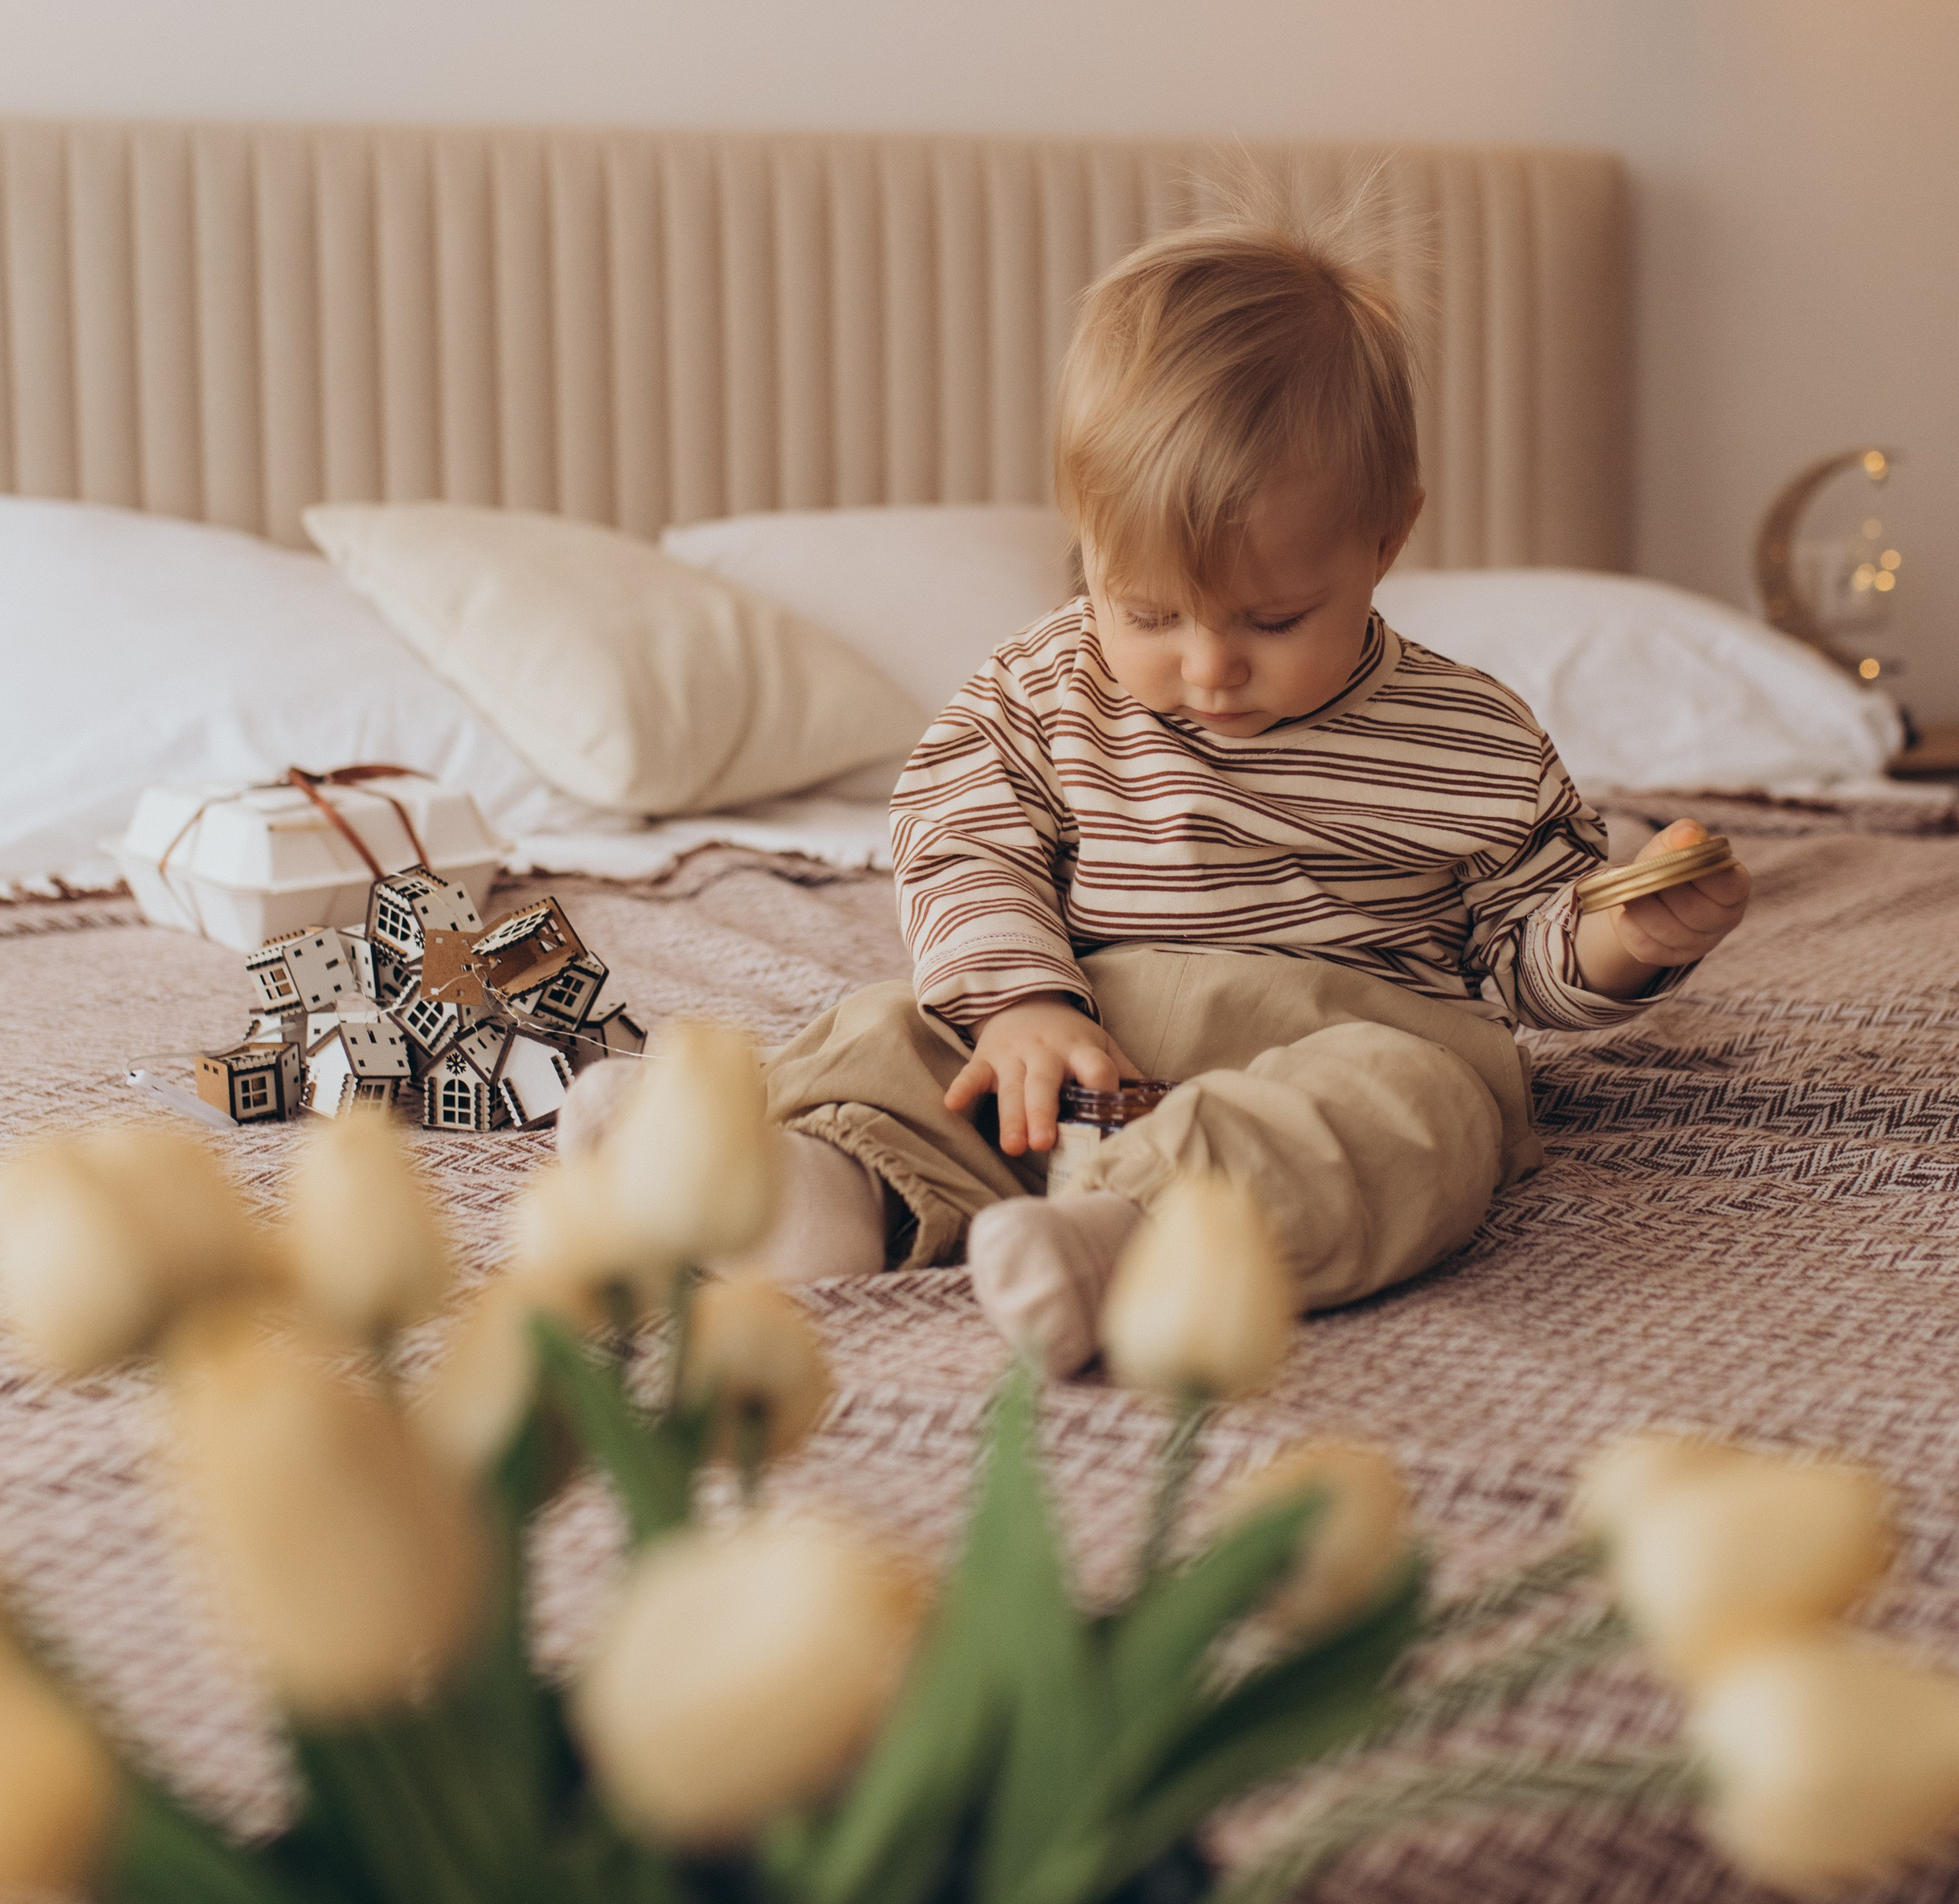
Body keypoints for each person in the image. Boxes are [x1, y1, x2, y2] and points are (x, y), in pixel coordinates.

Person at [572, 219, 1752, 1371]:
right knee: (890, 1035)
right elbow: (957, 833)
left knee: (1426, 1115)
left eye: (1273, 619)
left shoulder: (1471, 736)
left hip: (1341, 1040)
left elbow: (1519, 951)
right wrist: (1020, 1002)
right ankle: (806, 1189)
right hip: (1071, 1037)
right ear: (1084, 545)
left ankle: (1129, 1241)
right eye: (1149, 612)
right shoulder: (1043, 690)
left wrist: (1619, 940)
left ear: (1387, 540)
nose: (1209, 665)